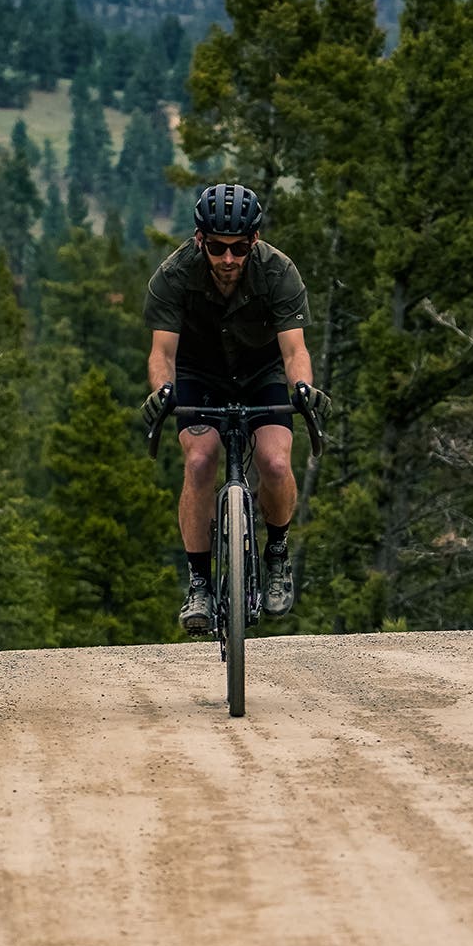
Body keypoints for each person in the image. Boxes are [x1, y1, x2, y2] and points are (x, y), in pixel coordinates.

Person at [141, 183, 327, 633]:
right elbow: (162, 354)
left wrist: (302, 387)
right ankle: (199, 582)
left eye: (240, 248)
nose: (229, 259)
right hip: (200, 374)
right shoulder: (175, 274)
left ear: (255, 241)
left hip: (261, 372)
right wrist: (164, 391)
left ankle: (277, 554)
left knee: (276, 462)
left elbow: (294, 350)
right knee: (201, 460)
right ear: (200, 239)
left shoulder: (279, 271)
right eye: (218, 248)